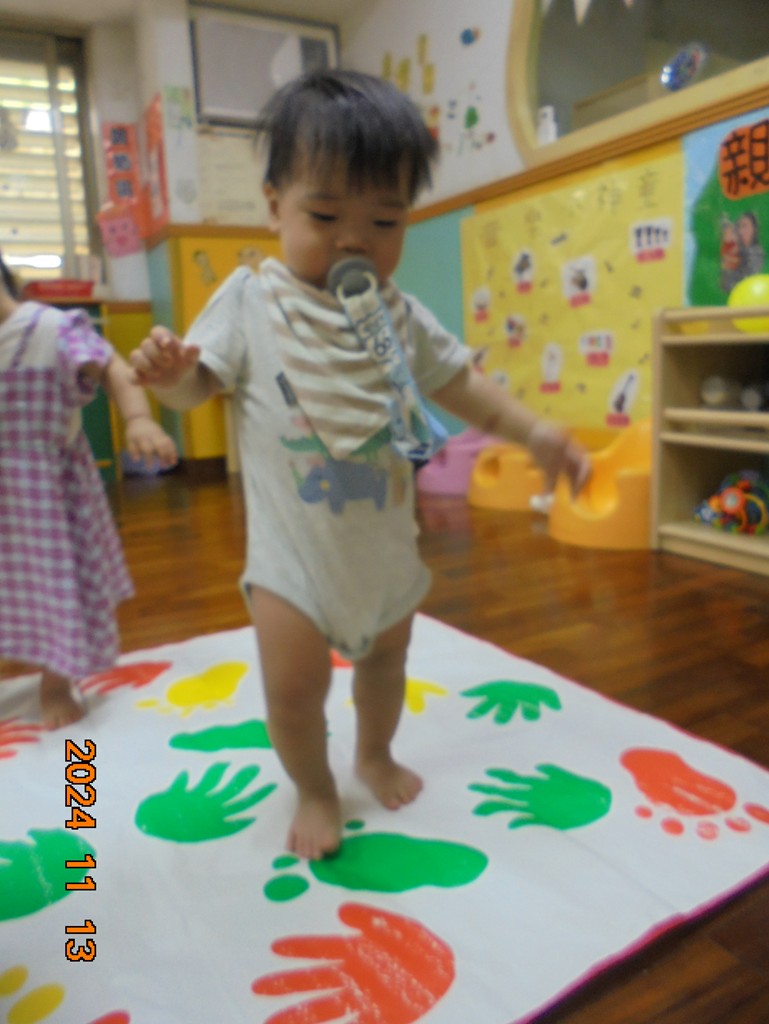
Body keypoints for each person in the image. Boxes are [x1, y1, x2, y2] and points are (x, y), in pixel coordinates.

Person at [130, 69, 590, 860]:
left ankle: (374, 753)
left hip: (381, 551)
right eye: (324, 215)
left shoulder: (397, 316)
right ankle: (314, 787)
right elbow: (198, 386)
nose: (354, 239)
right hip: (292, 560)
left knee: (386, 664)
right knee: (294, 691)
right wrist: (171, 377)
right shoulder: (250, 302)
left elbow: (461, 385)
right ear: (274, 205)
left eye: (384, 219)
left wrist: (533, 432)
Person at [0, 254, 178, 729]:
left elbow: (111, 365)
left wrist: (138, 419)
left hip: (45, 499)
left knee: (57, 587)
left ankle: (56, 681)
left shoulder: (49, 330)